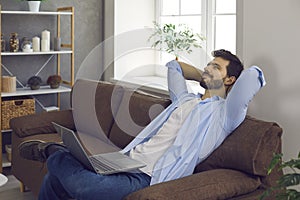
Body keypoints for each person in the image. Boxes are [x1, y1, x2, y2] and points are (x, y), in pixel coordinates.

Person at [19, 49, 266, 200]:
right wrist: (205, 74)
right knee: (55, 181)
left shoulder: (225, 116)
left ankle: (52, 151)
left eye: (216, 66)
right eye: (209, 64)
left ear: (231, 78)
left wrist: (224, 80)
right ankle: (59, 156)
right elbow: (174, 67)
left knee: (85, 190)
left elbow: (252, 76)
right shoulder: (184, 100)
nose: (207, 67)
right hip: (126, 160)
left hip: (150, 177)